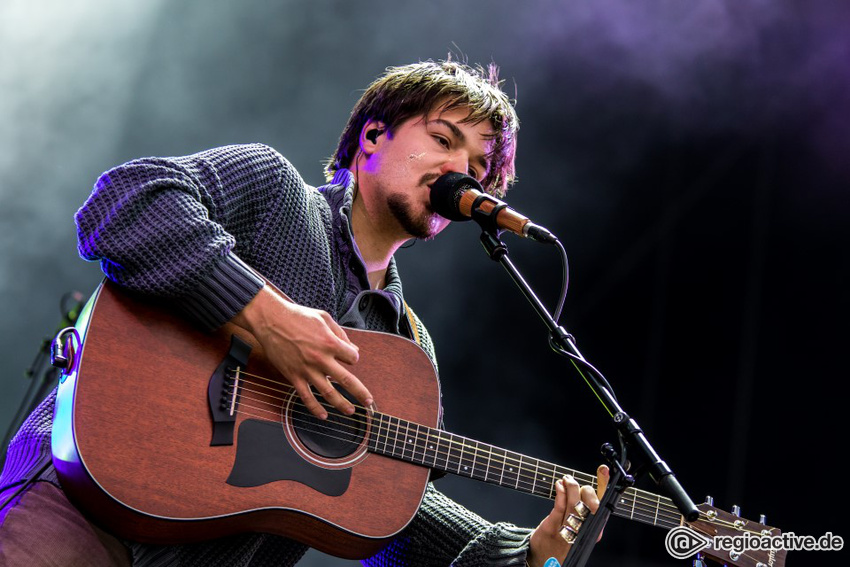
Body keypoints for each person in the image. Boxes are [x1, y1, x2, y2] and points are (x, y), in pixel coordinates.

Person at [0, 60, 607, 567]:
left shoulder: (408, 349)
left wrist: (528, 555)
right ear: (372, 137)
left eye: (476, 170)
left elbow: (392, 514)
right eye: (444, 140)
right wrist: (265, 317)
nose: (460, 173)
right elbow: (123, 204)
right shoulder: (273, 191)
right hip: (81, 512)